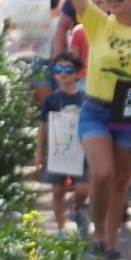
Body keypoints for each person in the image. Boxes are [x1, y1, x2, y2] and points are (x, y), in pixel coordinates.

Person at [65, 0, 131, 260]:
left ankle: (110, 242)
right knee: (102, 174)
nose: (112, 0)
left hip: (129, 107)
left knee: (121, 179)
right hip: (96, 109)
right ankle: (98, 234)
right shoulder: (99, 22)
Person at [35, 50, 90, 235]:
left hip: (81, 151)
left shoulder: (85, 98)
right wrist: (39, 152)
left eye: (68, 68)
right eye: (58, 68)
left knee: (83, 188)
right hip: (57, 151)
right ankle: (61, 229)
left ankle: (77, 208)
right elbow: (42, 126)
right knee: (57, 191)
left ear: (77, 73)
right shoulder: (50, 99)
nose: (63, 72)